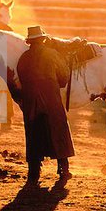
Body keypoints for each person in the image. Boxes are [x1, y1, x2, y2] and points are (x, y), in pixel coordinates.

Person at [17, 26, 75, 185]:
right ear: (43, 39)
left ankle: (33, 174)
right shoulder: (52, 54)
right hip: (51, 100)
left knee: (34, 134)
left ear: (29, 42)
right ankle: (63, 170)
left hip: (31, 102)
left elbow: (21, 80)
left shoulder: (23, 58)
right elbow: (63, 78)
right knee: (58, 131)